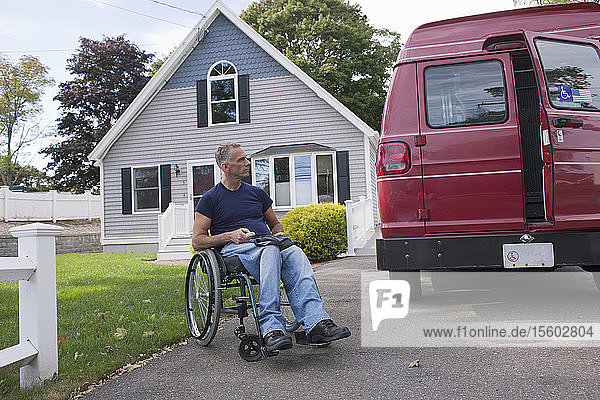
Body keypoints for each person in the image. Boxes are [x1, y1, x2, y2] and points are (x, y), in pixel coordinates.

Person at [192, 143, 350, 352]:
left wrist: (279, 234)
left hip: (267, 244)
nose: (247, 163)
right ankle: (271, 329)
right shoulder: (210, 198)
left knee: (294, 251)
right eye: (241, 160)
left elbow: (275, 224)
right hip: (235, 251)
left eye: (246, 158)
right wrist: (230, 235)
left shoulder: (257, 193)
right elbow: (198, 240)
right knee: (271, 251)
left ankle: (317, 322)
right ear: (225, 166)